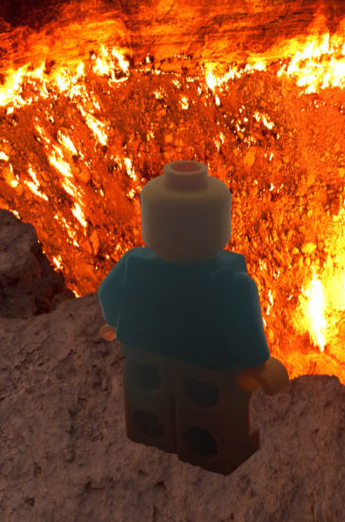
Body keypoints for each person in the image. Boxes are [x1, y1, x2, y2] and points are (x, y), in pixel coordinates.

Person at [97, 160, 288, 475]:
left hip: (143, 354)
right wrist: (256, 363)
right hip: (208, 367)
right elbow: (244, 330)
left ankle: (151, 433)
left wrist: (117, 322)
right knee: (206, 416)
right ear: (217, 223)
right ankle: (209, 453)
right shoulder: (231, 282)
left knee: (148, 402)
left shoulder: (133, 262)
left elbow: (108, 295)